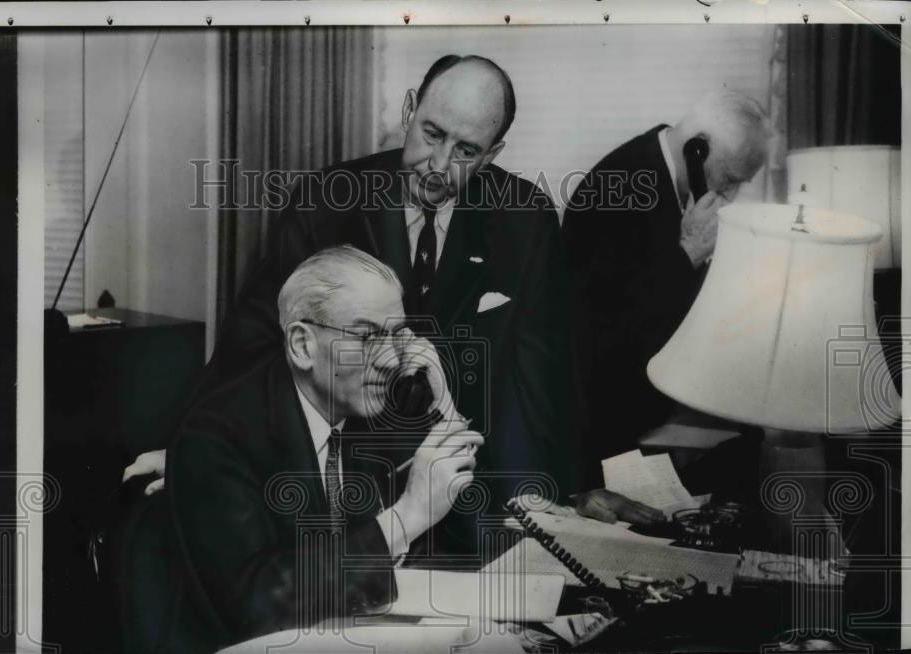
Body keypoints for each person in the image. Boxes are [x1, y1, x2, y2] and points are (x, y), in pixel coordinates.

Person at [125, 54, 662, 535]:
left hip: (465, 489)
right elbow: (257, 341)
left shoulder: (525, 219)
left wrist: (569, 486)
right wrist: (196, 449)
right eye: (432, 133)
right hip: (338, 489)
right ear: (410, 110)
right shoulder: (325, 202)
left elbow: (542, 375)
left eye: (467, 150)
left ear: (494, 151)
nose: (438, 164)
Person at [124, 246, 484, 652]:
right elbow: (259, 606)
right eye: (368, 336)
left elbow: (467, 535)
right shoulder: (216, 435)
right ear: (302, 345)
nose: (391, 359)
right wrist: (406, 517)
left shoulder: (370, 407)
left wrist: (445, 407)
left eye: (398, 334)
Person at [559, 90, 772, 470]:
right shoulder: (616, 186)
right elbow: (605, 329)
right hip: (609, 427)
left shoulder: (680, 186)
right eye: (729, 179)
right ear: (697, 149)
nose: (732, 196)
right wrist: (688, 252)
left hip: (663, 406)